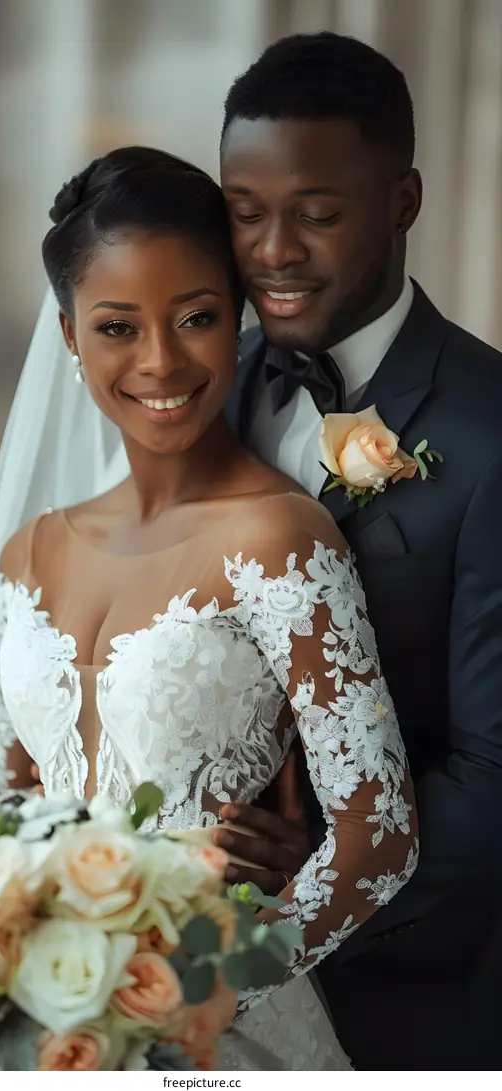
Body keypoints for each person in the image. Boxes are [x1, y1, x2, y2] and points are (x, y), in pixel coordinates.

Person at [0, 146, 417, 1071]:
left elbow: (379, 835)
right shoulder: (30, 553)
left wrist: (206, 989)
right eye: (117, 326)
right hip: (40, 1027)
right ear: (70, 337)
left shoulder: (280, 537)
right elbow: (10, 804)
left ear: (236, 315)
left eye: (195, 316)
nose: (160, 361)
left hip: (216, 1031)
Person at [214, 32, 502, 1070]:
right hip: (184, 972)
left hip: (412, 994)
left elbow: (495, 763)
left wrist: (336, 875)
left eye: (317, 214)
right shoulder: (203, 385)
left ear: (405, 199)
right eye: (245, 214)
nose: (273, 251)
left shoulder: (489, 432)